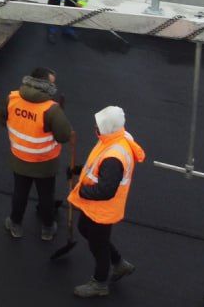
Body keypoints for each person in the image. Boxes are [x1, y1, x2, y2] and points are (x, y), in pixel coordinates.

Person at [67, 105, 144, 298]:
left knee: (97, 246)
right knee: (85, 229)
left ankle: (100, 283)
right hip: (96, 207)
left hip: (103, 210)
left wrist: (82, 191)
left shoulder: (114, 157)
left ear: (108, 127)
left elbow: (106, 190)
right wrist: (79, 169)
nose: (95, 128)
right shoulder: (114, 139)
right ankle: (119, 263)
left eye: (99, 125)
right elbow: (97, 167)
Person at [0, 66, 72, 240]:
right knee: (46, 196)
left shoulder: (12, 98)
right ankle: (47, 228)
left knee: (20, 193)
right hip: (44, 163)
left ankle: (15, 224)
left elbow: (3, 120)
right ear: (44, 84)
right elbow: (64, 136)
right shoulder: (52, 109)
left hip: (19, 158)